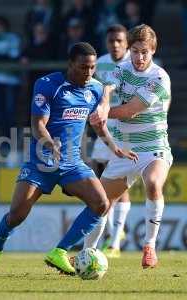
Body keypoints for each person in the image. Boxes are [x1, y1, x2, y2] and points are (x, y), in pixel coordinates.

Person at [0, 42, 137, 277]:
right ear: (71, 64)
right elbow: (37, 124)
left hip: (71, 163)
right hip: (40, 163)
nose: (89, 72)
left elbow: (98, 123)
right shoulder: (48, 84)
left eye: (92, 67)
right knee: (16, 215)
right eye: (84, 67)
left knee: (101, 204)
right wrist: (50, 143)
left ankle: (59, 251)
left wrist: (114, 147)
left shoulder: (94, 88)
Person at [87, 24, 172, 269]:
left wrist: (101, 114)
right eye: (135, 51)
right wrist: (103, 104)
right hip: (125, 150)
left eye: (145, 52)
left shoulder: (158, 77)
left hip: (154, 148)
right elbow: (108, 86)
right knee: (100, 203)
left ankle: (149, 247)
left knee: (154, 183)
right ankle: (86, 253)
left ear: (153, 51)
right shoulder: (122, 68)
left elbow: (129, 112)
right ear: (129, 50)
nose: (139, 57)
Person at [88, 24, 131, 258]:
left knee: (118, 179)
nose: (115, 45)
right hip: (103, 126)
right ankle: (115, 232)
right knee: (101, 177)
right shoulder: (100, 62)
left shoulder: (135, 63)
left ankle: (114, 242)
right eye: (111, 41)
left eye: (119, 41)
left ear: (126, 43)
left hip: (124, 127)